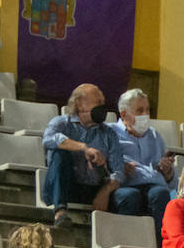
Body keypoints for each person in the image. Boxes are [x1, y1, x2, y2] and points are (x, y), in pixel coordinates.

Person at [40, 83, 123, 228]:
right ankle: (60, 212)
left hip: (92, 189)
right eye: (97, 103)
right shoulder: (61, 123)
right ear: (79, 104)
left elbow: (119, 171)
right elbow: (48, 139)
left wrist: (105, 191)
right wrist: (83, 148)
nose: (102, 107)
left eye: (103, 103)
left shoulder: (109, 133)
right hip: (64, 187)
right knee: (60, 153)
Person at [110, 88, 175, 236]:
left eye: (147, 110)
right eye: (140, 111)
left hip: (153, 186)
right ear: (124, 114)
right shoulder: (111, 133)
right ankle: (127, 244)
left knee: (161, 193)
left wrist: (168, 171)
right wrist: (119, 167)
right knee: (130, 196)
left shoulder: (154, 135)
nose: (145, 115)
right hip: (123, 185)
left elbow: (171, 181)